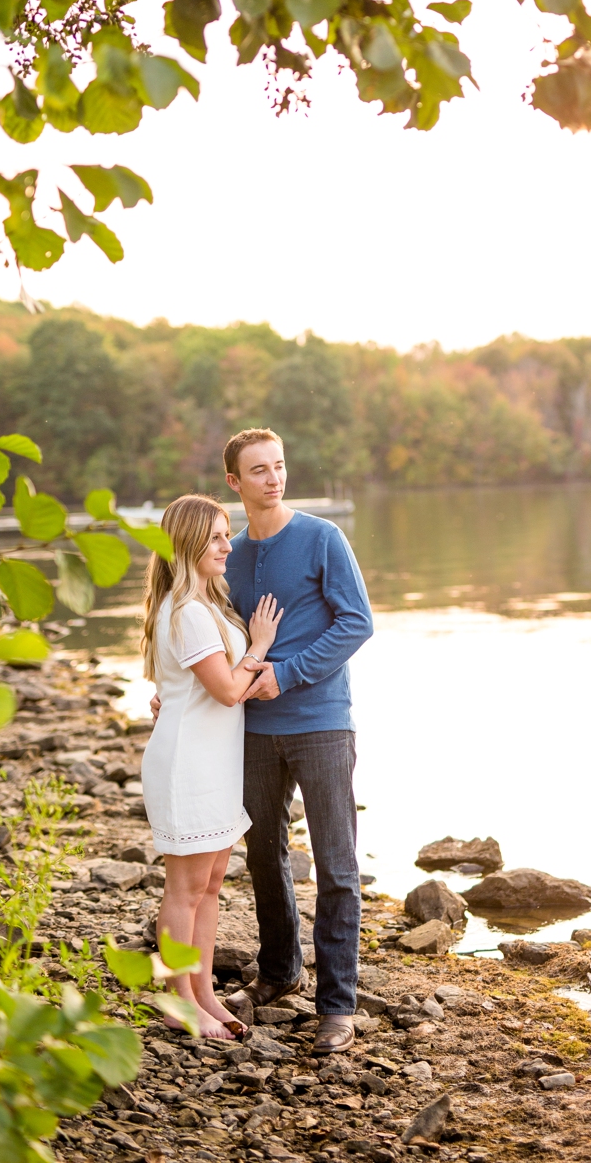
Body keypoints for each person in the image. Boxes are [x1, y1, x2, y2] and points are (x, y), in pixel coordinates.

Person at [225, 428, 376, 1055]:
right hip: (253, 731)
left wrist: (287, 674)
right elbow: (218, 634)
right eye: (258, 470)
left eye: (279, 466)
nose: (273, 478)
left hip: (320, 721)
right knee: (263, 855)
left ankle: (337, 1002)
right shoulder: (227, 554)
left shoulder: (322, 537)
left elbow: (357, 622)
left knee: (337, 866)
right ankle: (281, 971)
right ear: (234, 483)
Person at [140, 494, 283, 1040]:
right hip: (188, 763)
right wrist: (261, 645)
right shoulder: (189, 611)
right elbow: (226, 691)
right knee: (185, 887)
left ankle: (203, 993)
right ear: (189, 542)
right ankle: (180, 1001)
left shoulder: (205, 606)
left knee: (212, 883)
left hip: (215, 759)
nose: (228, 545)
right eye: (218, 536)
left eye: (228, 534)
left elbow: (183, 686)